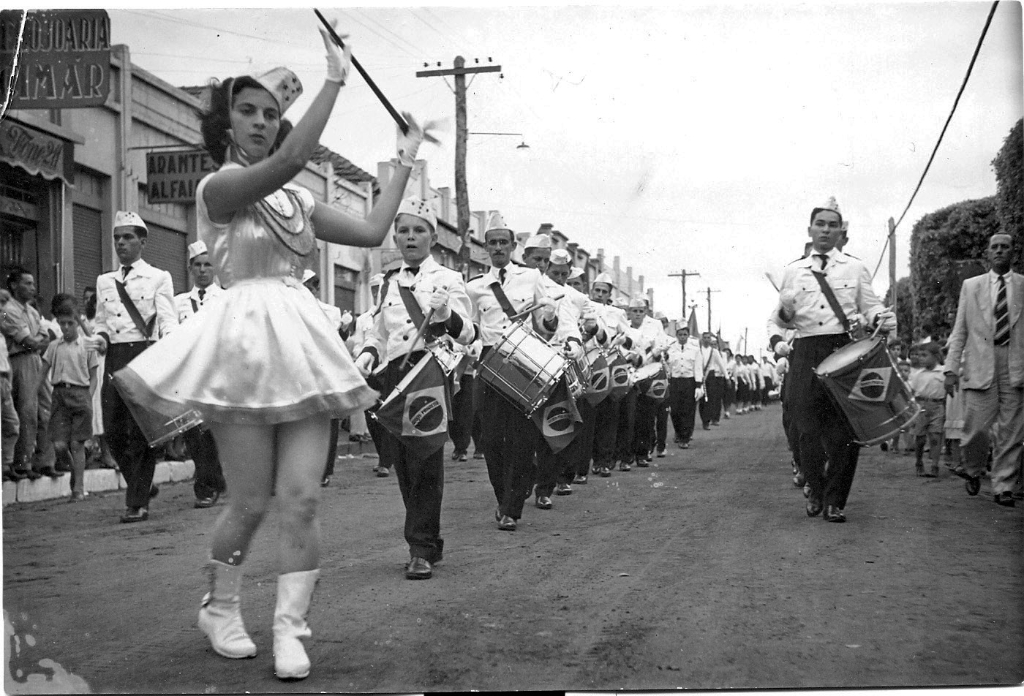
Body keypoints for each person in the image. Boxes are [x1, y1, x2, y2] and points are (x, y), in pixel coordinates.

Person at [111, 27, 435, 679]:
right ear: (225, 124)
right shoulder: (218, 189)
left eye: (269, 112)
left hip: (301, 341)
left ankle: (291, 628)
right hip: (243, 344)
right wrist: (336, 81)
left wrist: (401, 160)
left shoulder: (297, 198)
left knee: (303, 499)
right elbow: (285, 162)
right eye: (248, 111)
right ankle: (220, 607)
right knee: (251, 501)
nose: (262, 121)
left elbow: (374, 231)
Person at [355, 196, 474, 580]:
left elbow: (469, 334)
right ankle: (428, 541)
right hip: (393, 376)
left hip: (427, 377)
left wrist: (444, 314)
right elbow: (378, 331)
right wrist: (367, 355)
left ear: (433, 237)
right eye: (404, 230)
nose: (411, 237)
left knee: (425, 462)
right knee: (405, 464)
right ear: (395, 236)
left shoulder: (448, 280)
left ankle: (419, 547)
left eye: (419, 230)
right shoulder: (389, 282)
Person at [769, 196, 894, 523]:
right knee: (806, 430)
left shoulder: (855, 267)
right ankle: (816, 486)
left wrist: (882, 316)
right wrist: (787, 309)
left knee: (845, 433)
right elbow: (781, 321)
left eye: (832, 225)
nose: (826, 230)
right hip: (806, 351)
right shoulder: (794, 270)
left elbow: (870, 305)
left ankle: (835, 500)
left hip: (844, 352)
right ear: (810, 229)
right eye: (820, 224)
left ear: (841, 231)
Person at [467, 217, 560, 531]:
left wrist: (548, 314)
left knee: (521, 438)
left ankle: (511, 508)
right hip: (489, 361)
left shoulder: (531, 277)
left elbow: (547, 323)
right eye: (491, 243)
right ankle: (503, 495)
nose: (497, 248)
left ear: (512, 246)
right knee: (490, 439)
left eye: (503, 242)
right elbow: (469, 330)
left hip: (522, 362)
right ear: (485, 248)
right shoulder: (474, 287)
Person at [93, 212, 178, 523]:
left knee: (139, 431)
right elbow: (101, 322)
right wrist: (100, 338)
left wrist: (169, 350)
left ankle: (136, 502)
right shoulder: (106, 280)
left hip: (144, 355)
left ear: (142, 242)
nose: (120, 243)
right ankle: (141, 484)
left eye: (127, 237)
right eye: (117, 238)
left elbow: (168, 319)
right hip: (114, 357)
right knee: (112, 430)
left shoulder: (159, 277)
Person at [944, 232, 1023, 507]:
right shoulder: (972, 286)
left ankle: (1003, 486)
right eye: (995, 247)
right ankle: (973, 468)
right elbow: (960, 330)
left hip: (1015, 366)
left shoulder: (1023, 286)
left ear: (1013, 251)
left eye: (1005, 247)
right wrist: (950, 368)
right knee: (976, 429)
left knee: (1012, 432)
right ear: (988, 253)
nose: (1000, 251)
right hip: (980, 364)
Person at [175, 241, 228, 508]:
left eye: (208, 264)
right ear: (190, 268)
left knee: (214, 431)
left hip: (219, 373)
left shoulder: (227, 299)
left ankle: (208, 484)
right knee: (193, 432)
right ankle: (212, 481)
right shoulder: (180, 303)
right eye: (198, 265)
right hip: (191, 375)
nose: (203, 270)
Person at [42, 302, 98, 502]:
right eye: (62, 323)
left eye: (70, 323)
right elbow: (43, 372)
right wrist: (36, 393)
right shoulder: (54, 346)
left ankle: (78, 488)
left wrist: (88, 398)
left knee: (77, 443)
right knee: (59, 445)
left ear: (77, 323)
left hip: (80, 394)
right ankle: (76, 470)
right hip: (59, 395)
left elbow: (94, 376)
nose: (66, 327)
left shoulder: (86, 346)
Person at [1, 269, 54, 480]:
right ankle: (23, 462)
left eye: (33, 283)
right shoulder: (6, 310)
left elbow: (45, 336)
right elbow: (27, 340)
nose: (32, 288)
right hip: (21, 359)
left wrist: (37, 342)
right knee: (27, 411)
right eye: (27, 283)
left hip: (37, 359)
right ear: (14, 285)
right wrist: (37, 341)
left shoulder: (31, 312)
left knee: (46, 409)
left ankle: (44, 461)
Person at [301, 268, 345, 488]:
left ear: (317, 289)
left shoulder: (331, 311)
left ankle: (325, 469)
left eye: (311, 286)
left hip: (326, 369)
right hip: (302, 369)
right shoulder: (291, 310)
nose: (307, 290)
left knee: (328, 419)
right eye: (303, 286)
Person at [587, 272, 630, 479]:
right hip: (588, 367)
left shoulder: (616, 313)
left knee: (609, 417)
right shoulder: (584, 306)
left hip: (610, 368)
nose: (600, 295)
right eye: (597, 290)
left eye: (604, 292)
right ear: (591, 290)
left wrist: (621, 339)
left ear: (609, 294)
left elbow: (629, 336)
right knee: (589, 417)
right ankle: (589, 461)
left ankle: (604, 461)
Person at [908, 342, 945, 478]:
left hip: (937, 406)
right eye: (919, 355)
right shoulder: (918, 374)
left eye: (925, 355)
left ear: (935, 356)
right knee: (921, 438)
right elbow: (912, 391)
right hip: (921, 406)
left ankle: (935, 465)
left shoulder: (943, 371)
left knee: (936, 436)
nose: (921, 358)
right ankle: (919, 462)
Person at [666, 326, 701, 449]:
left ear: (688, 335)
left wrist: (698, 385)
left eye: (685, 334)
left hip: (689, 382)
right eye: (680, 334)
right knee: (675, 410)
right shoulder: (670, 349)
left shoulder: (695, 350)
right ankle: (678, 431)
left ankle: (685, 437)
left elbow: (698, 368)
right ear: (676, 335)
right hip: (675, 382)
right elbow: (667, 367)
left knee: (688, 410)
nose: (682, 337)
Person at [0, 290, 22, 482]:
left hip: (4, 379)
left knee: (11, 424)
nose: (3, 307)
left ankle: (5, 464)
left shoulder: (2, 330)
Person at [698, 331, 727, 430]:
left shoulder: (714, 351)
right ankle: (703, 419)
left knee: (709, 400)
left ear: (710, 339)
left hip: (710, 376)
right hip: (699, 376)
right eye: (704, 338)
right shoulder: (698, 350)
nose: (706, 339)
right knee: (701, 400)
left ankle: (706, 421)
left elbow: (721, 364)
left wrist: (727, 377)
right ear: (702, 339)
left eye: (708, 338)